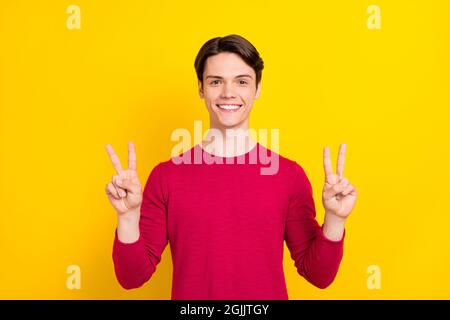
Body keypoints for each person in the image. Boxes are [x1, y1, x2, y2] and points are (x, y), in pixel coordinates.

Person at [104, 34, 357, 300]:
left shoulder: (288, 176)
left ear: (257, 89)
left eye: (242, 81)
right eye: (216, 81)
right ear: (201, 88)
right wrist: (128, 216)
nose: (228, 93)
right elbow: (131, 278)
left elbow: (319, 275)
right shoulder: (166, 177)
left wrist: (336, 219)